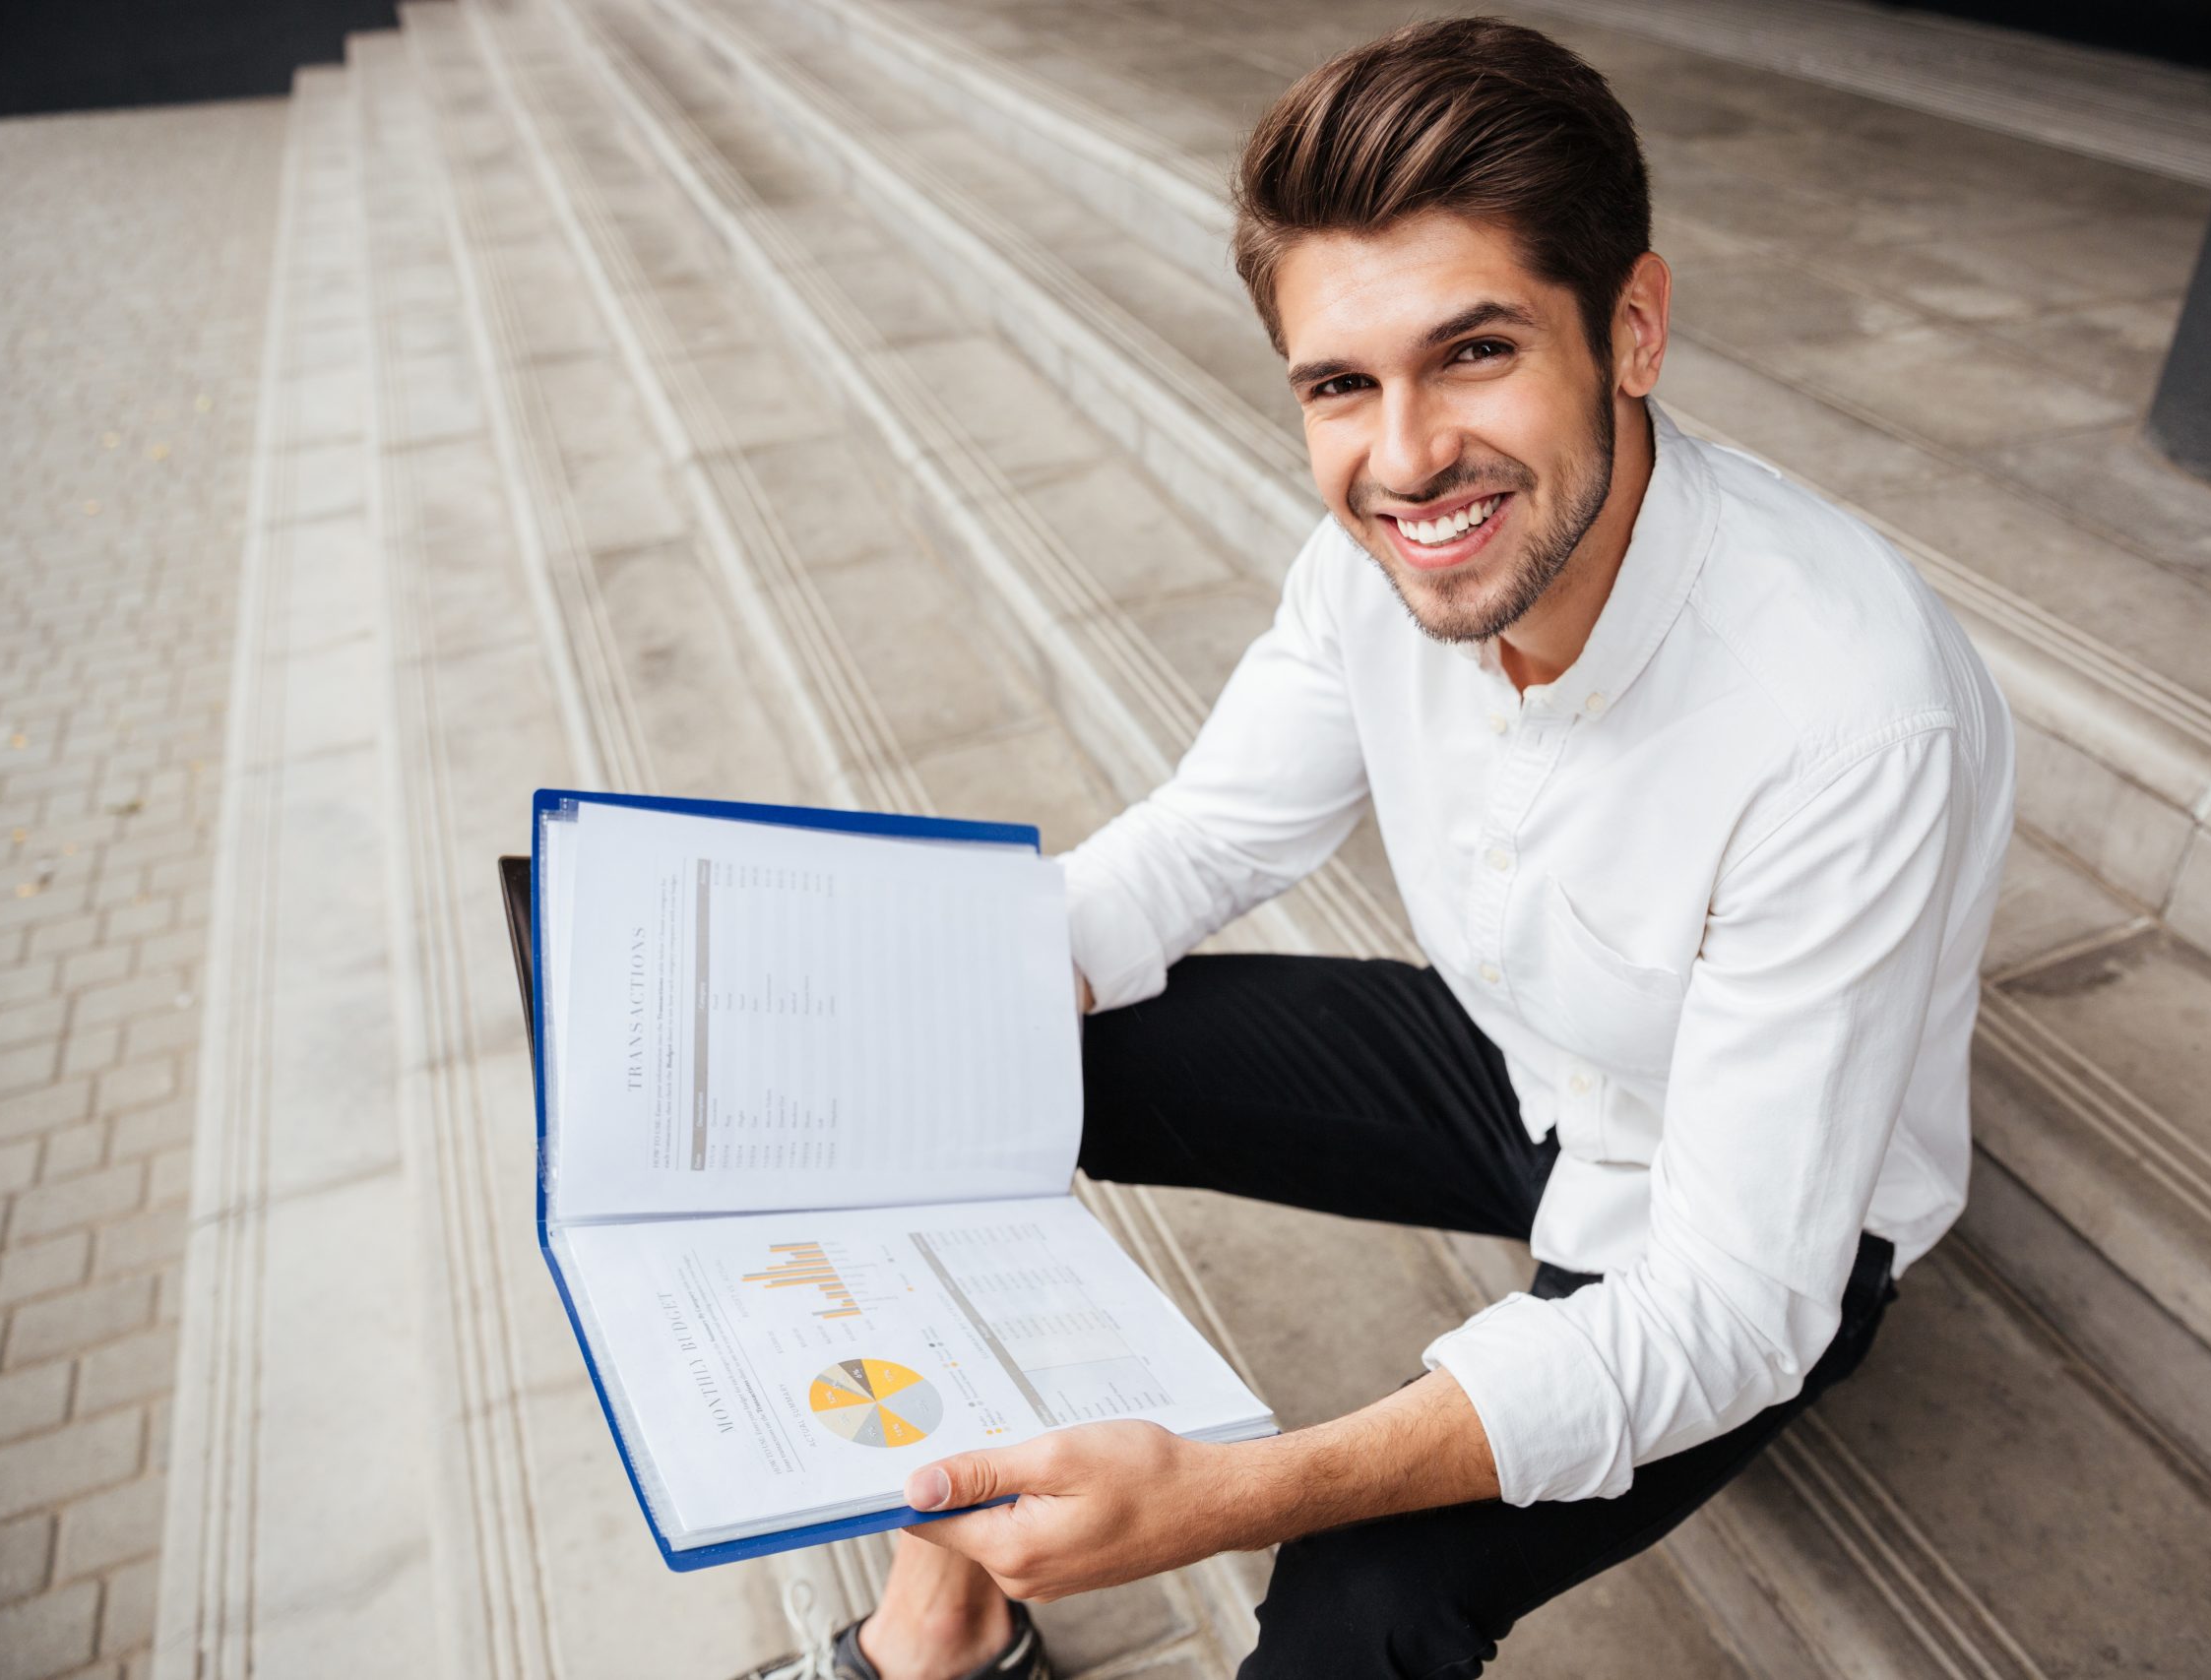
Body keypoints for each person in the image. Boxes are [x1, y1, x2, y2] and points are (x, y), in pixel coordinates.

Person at [784, 16, 2012, 1678]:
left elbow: (1731, 1311)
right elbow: (1204, 838)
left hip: (1734, 1214)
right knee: (936, 1069)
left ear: (1631, 329)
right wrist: (904, 1005)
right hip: (1522, 1061)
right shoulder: (1370, 557)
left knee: (1353, 1605)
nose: (1409, 457)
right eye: (1343, 386)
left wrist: (1233, 1492)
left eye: (1477, 352)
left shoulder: (1848, 714)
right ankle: (947, 1617)